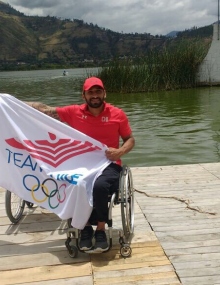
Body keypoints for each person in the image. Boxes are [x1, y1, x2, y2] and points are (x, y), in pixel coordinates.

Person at [25, 76, 135, 252]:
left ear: (104, 93)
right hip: (82, 164)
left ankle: (100, 230)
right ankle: (84, 229)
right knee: (77, 185)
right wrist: (10, 103)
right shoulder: (74, 112)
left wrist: (120, 151)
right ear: (84, 95)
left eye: (98, 91)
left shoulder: (117, 114)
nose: (95, 95)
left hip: (108, 164)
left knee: (99, 187)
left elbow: (130, 139)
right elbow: (45, 110)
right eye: (90, 92)